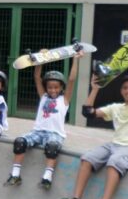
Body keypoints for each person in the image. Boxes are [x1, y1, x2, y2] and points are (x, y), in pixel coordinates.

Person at [59, 43, 128, 199]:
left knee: (114, 161)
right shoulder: (116, 108)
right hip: (115, 145)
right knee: (88, 157)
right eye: (125, 88)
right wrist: (96, 88)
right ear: (121, 91)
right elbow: (88, 112)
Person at [5, 53, 81, 189]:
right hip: (38, 132)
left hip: (55, 134)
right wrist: (39, 60)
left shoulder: (64, 100)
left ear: (61, 88)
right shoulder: (44, 96)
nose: (53, 90)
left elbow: (72, 80)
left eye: (56, 87)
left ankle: (47, 178)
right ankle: (15, 175)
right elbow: (36, 77)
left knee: (52, 147)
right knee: (19, 142)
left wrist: (75, 59)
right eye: (50, 87)